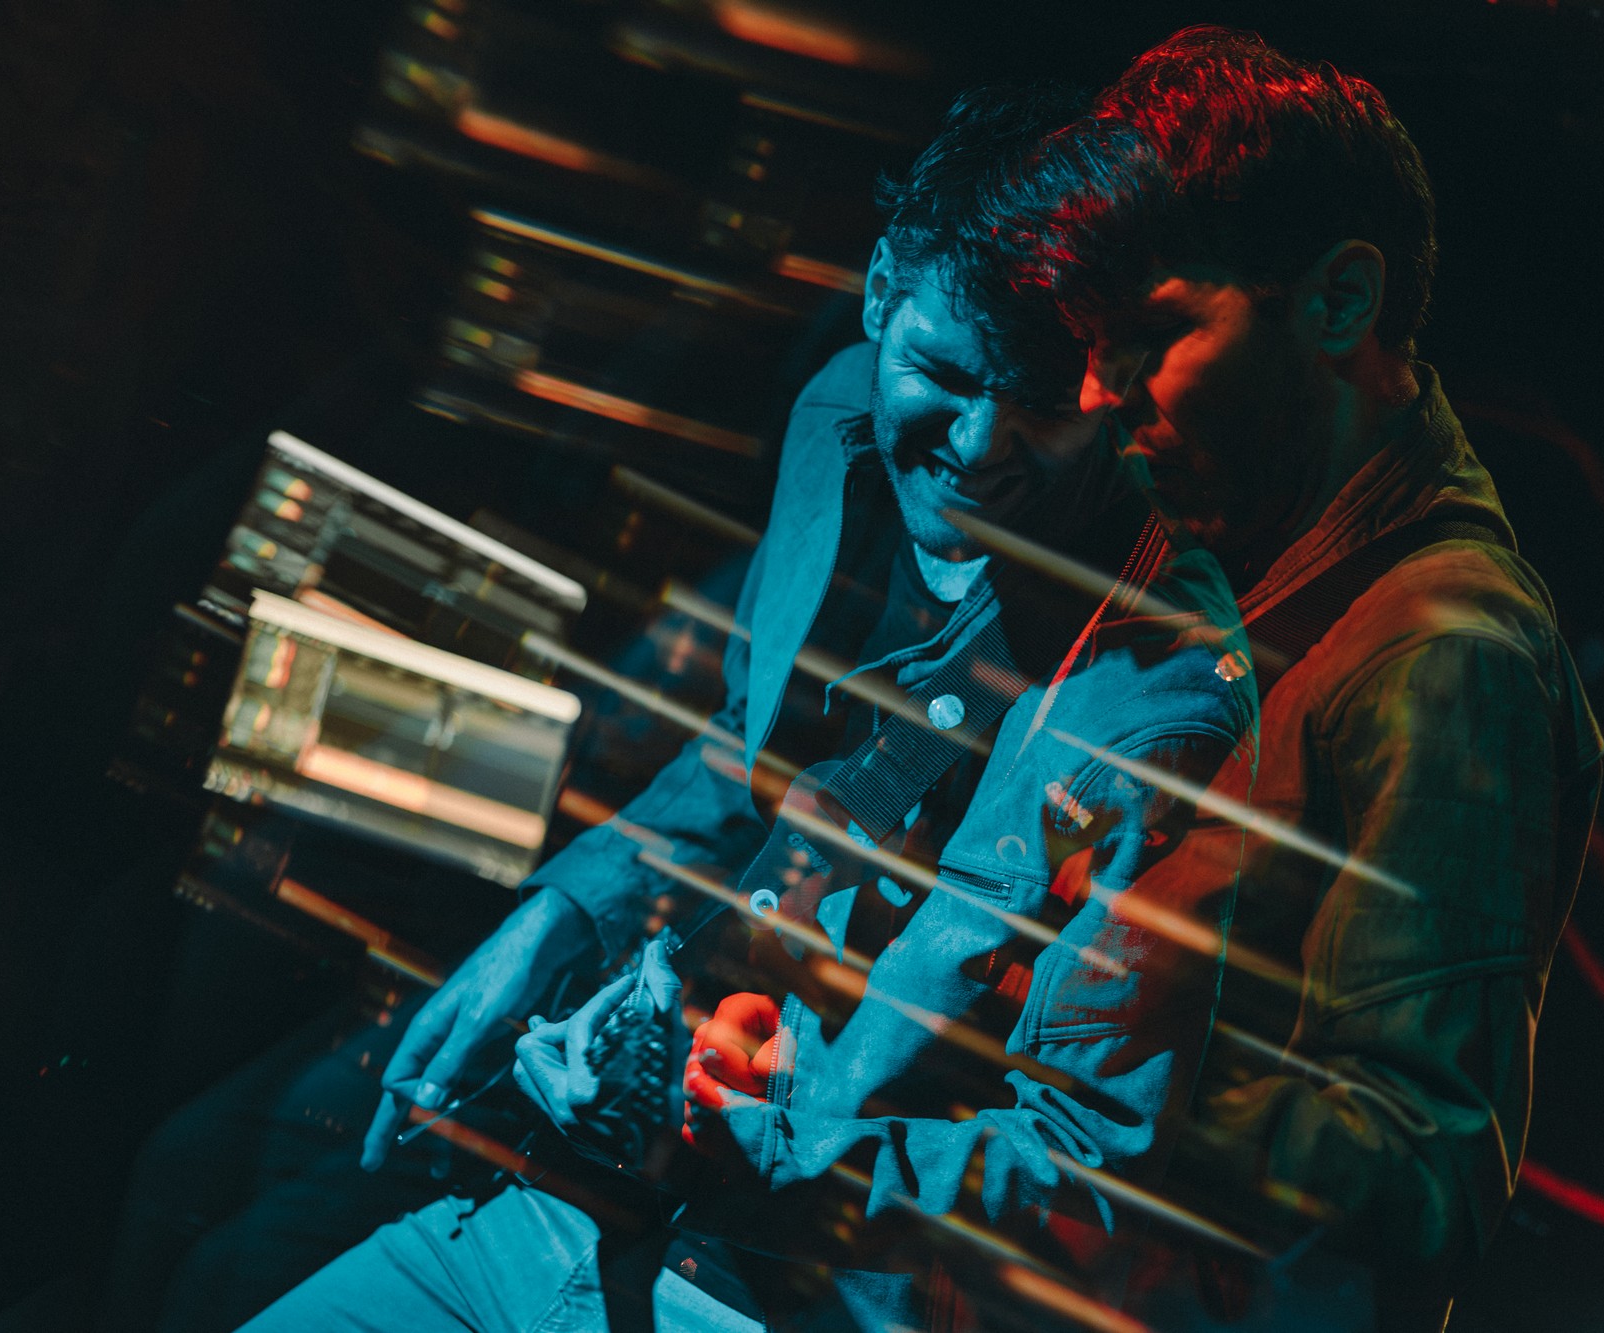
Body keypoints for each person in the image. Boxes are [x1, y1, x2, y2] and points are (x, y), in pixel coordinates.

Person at [240, 83, 1259, 1332]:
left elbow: (1086, 1159)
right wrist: (559, 920)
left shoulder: (1160, 696)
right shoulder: (838, 418)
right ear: (881, 288)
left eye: (1042, 406)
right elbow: (751, 761)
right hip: (577, 1203)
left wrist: (768, 1133)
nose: (980, 447)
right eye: (943, 372)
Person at [1022, 27, 1603, 1331]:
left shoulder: (1445, 651)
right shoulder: (1221, 541)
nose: (1096, 391)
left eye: (1149, 335)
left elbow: (1420, 1181)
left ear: (1341, 301)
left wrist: (1071, 1026)